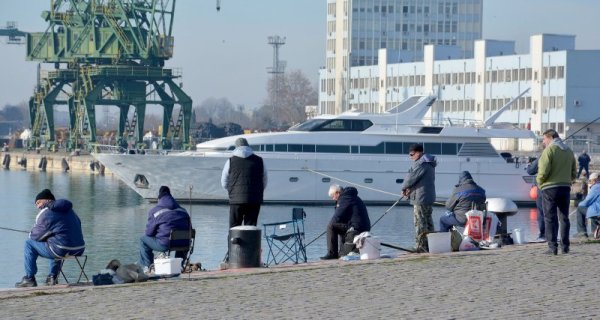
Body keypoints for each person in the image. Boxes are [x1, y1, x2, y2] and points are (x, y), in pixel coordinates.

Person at [15, 189, 85, 288]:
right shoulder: (71, 211)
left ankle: (29, 278)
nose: (38, 206)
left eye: (38, 202)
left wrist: (32, 233)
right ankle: (53, 277)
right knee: (53, 241)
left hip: (61, 249)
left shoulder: (46, 212)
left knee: (29, 243)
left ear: (46, 200)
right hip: (79, 249)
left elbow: (35, 236)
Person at [537, 129, 576, 255]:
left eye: (544, 139)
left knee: (550, 218)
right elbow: (574, 172)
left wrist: (539, 181)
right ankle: (565, 246)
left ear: (550, 137)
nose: (543, 142)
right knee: (564, 217)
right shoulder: (569, 151)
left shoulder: (549, 150)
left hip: (550, 187)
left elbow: (543, 171)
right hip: (565, 187)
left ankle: (552, 247)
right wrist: (569, 180)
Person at [139, 186, 191, 273]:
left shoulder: (155, 211)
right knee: (182, 239)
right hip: (185, 244)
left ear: (159, 199)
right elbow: (190, 228)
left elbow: (148, 233)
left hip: (166, 244)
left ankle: (148, 267)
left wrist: (158, 234)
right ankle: (180, 265)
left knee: (143, 240)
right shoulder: (183, 210)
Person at [221, 137, 268, 228]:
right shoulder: (259, 160)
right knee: (250, 227)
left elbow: (224, 181)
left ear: (236, 147)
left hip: (236, 200)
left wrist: (232, 191)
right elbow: (264, 180)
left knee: (234, 227)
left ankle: (234, 242)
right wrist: (258, 192)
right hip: (254, 200)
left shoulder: (230, 161)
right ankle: (250, 242)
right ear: (248, 146)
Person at [401, 144, 436, 253]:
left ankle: (421, 246)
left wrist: (404, 188)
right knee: (428, 222)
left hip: (421, 198)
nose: (411, 157)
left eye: (412, 155)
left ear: (418, 153)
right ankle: (432, 245)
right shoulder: (429, 163)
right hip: (428, 197)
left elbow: (411, 177)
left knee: (420, 222)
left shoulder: (421, 163)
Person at [320, 184, 371, 260]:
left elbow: (337, 217)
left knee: (331, 226)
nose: (333, 199)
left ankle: (332, 254)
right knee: (338, 226)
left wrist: (329, 227)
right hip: (362, 226)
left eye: (333, 196)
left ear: (337, 193)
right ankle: (339, 252)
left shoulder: (345, 199)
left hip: (357, 228)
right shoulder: (352, 197)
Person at [526, 157, 546, 242]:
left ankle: (543, 235)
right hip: (558, 187)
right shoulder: (562, 156)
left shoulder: (543, 157)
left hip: (543, 188)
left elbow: (530, 171)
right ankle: (553, 234)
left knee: (541, 213)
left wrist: (529, 165)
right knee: (553, 212)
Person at [579, 172, 600, 238]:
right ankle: (594, 232)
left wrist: (579, 204)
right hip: (597, 209)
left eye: (591, 181)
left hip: (597, 211)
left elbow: (587, 201)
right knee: (592, 208)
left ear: (595, 180)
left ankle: (582, 232)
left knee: (580, 208)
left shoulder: (596, 187)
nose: (590, 182)